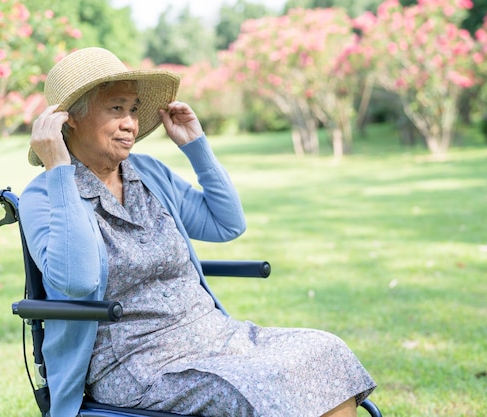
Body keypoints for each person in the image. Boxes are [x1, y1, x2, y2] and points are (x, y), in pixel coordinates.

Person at [20, 47, 376, 417]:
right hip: (135, 364)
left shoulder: (147, 173)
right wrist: (59, 169)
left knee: (324, 351)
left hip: (213, 335)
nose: (130, 123)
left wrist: (196, 145)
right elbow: (78, 281)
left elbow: (227, 223)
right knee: (255, 384)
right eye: (116, 108)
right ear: (70, 118)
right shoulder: (45, 195)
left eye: (134, 110)